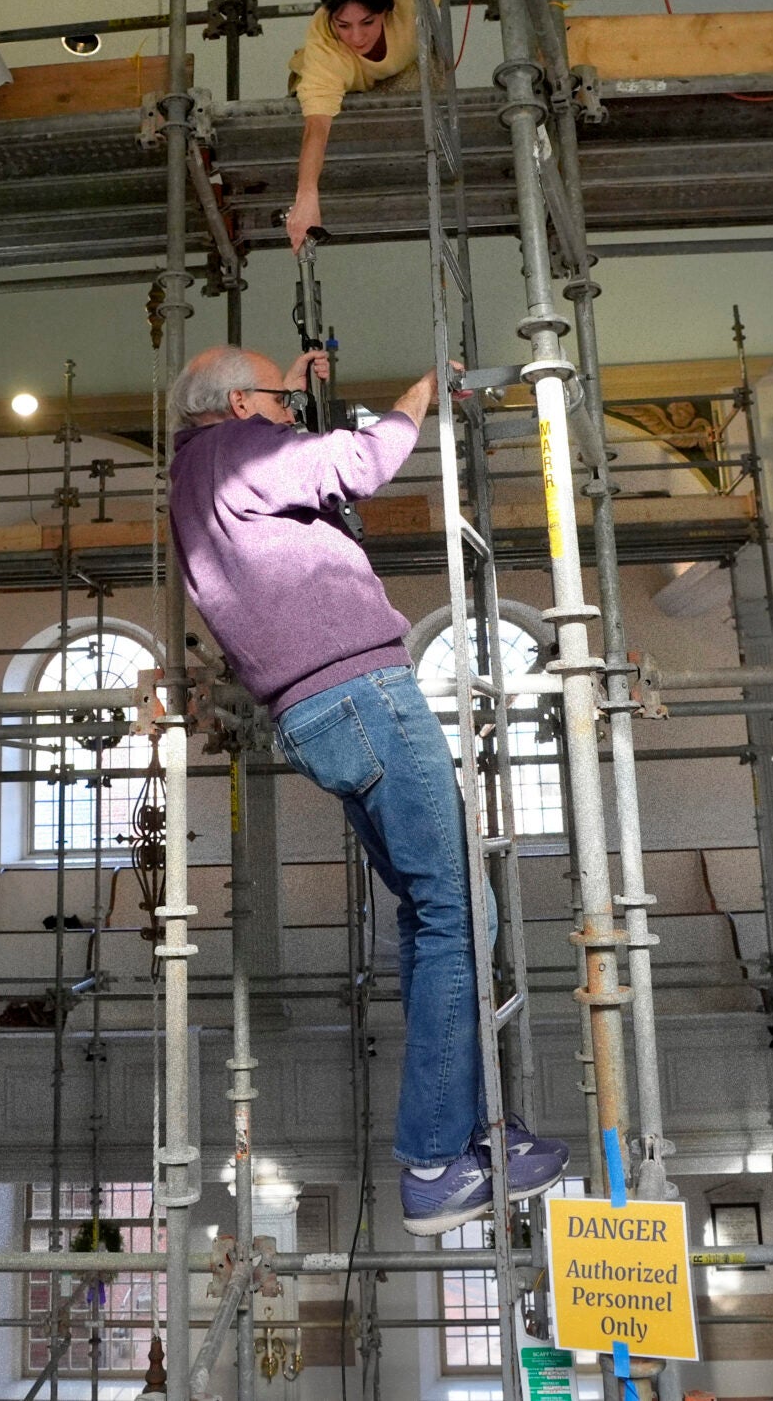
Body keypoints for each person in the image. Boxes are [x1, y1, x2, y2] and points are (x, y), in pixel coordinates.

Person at [168, 343, 567, 1234]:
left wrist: (297, 392)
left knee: (440, 913)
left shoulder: (205, 472)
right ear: (238, 406)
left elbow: (299, 465)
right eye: (277, 399)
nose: (288, 412)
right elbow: (361, 461)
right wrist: (420, 390)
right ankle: (437, 1160)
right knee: (464, 911)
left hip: (324, 711)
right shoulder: (238, 452)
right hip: (363, 695)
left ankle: (462, 1141)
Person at [284, 0, 490, 252]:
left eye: (368, 22)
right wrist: (307, 194)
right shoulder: (325, 48)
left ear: (386, 9)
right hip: (344, 92)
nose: (356, 36)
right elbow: (317, 127)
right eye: (343, 25)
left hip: (402, 76)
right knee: (322, 115)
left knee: (430, 85)